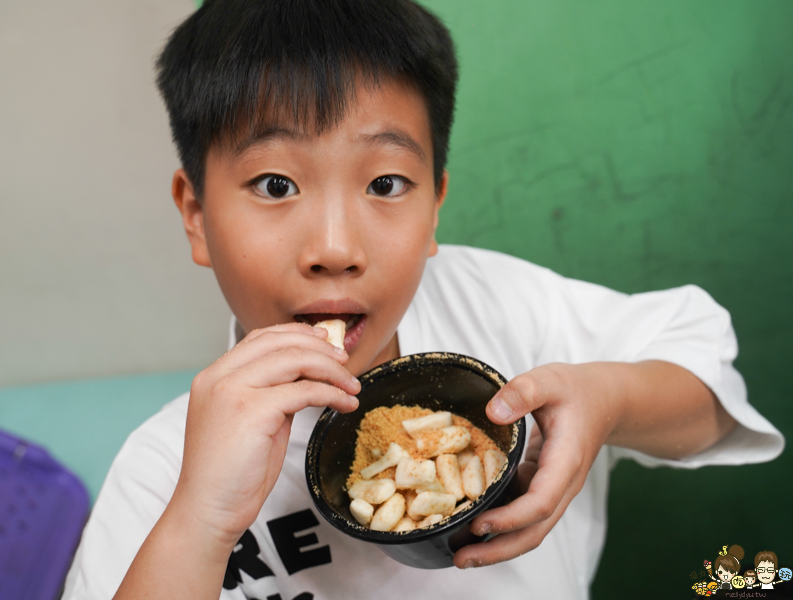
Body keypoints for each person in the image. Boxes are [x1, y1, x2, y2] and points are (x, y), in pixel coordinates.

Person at [60, 0, 784, 598]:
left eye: (385, 184)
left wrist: (610, 402)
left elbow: (708, 391)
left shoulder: (502, 308)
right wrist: (199, 524)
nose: (336, 247)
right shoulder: (163, 471)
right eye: (276, 185)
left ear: (435, 204)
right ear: (196, 217)